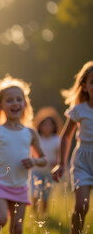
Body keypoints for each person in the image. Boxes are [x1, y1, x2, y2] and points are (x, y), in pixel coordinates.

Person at [0, 75, 47, 234]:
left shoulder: (30, 133)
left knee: (17, 228)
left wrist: (34, 162)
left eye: (19, 99)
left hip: (20, 187)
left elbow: (43, 159)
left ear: (25, 104)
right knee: (1, 218)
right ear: (0, 106)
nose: (15, 103)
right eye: (9, 100)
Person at [52, 61, 93, 234]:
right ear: (85, 87)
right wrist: (61, 163)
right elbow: (66, 136)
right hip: (83, 161)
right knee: (81, 205)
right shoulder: (79, 110)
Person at [29, 107, 62, 218]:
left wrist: (57, 163)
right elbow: (31, 153)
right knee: (35, 192)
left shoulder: (57, 139)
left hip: (49, 172)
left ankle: (44, 214)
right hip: (36, 171)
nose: (47, 127)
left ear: (54, 126)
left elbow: (59, 156)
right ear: (39, 125)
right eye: (44, 124)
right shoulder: (36, 138)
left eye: (50, 125)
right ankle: (34, 213)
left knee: (46, 195)